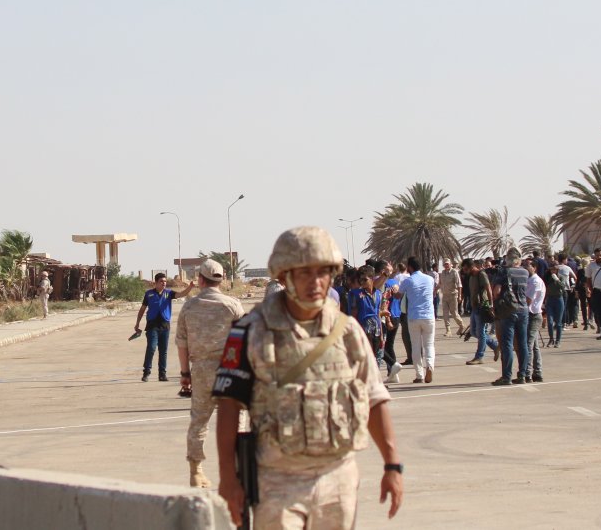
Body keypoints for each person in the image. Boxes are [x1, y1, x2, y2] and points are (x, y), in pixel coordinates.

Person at [212, 226, 402, 527]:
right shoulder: (252, 332)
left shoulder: (347, 332)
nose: (316, 282)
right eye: (304, 273)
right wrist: (227, 479)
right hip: (278, 483)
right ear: (284, 276)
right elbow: (228, 405)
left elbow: (374, 398)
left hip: (338, 478)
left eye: (323, 272)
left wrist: (392, 465)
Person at [175, 259, 244, 488]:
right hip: (229, 370)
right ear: (221, 280)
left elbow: (182, 343)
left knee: (199, 421)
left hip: (201, 369)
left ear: (200, 280)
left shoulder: (189, 307)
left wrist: (185, 374)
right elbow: (243, 341)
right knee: (237, 422)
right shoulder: (232, 306)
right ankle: (235, 471)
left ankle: (196, 472)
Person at [134, 273, 195, 382]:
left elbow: (181, 294)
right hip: (152, 326)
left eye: (165, 281)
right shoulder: (149, 294)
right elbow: (142, 309)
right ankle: (146, 372)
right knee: (151, 348)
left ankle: (162, 374)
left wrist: (190, 287)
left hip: (165, 326)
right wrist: (137, 323)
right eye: (161, 281)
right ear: (156, 282)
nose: (164, 283)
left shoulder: (169, 293)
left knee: (163, 351)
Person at [492, 257, 530, 385]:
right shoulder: (525, 272)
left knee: (507, 343)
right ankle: (523, 375)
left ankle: (507, 376)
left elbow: (496, 292)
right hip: (523, 309)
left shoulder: (504, 272)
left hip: (508, 310)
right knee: (523, 343)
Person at [399, 257, 437, 383]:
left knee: (415, 346)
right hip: (428, 316)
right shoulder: (430, 279)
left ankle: (419, 375)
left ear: (410, 267)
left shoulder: (408, 281)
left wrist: (394, 291)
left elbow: (398, 295)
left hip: (414, 316)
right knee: (429, 345)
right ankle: (430, 366)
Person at [464, 259, 499, 365]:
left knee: (481, 333)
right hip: (474, 308)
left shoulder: (481, 274)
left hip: (482, 307)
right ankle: (495, 345)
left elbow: (488, 289)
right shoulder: (471, 277)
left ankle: (479, 357)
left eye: (466, 269)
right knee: (473, 332)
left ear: (471, 267)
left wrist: (491, 305)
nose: (465, 271)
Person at [525, 260, 546, 382]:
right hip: (530, 315)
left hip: (533, 315)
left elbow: (528, 300)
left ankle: (527, 373)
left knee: (528, 345)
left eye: (528, 266)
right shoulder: (529, 280)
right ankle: (537, 372)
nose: (525, 268)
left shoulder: (535, 281)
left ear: (534, 267)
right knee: (534, 346)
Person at [439, 259, 465, 336]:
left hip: (453, 295)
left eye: (447, 264)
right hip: (445, 296)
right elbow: (440, 283)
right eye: (445, 264)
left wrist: (459, 296)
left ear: (451, 264)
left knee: (454, 313)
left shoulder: (454, 272)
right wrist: (434, 291)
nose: (446, 265)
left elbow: (459, 285)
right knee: (445, 314)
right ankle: (448, 330)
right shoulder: (442, 273)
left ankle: (461, 325)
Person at [544, 263, 566, 348]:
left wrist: (557, 280)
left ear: (557, 270)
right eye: (552, 269)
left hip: (558, 299)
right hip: (550, 299)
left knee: (558, 322)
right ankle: (551, 339)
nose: (553, 271)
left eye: (555, 269)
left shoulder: (561, 277)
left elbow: (563, 287)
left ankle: (558, 340)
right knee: (550, 322)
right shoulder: (547, 277)